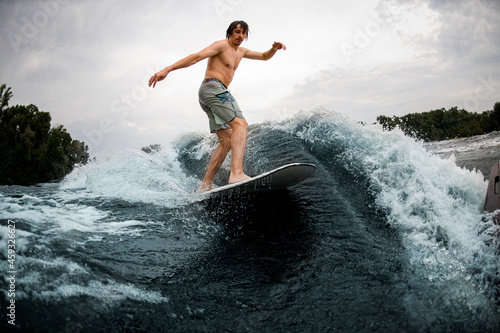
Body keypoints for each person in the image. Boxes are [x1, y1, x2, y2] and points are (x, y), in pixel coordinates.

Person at [148, 20, 286, 192]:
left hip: (209, 93)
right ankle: (236, 173)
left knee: (227, 141)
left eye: (244, 33)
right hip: (213, 88)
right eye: (237, 32)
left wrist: (274, 49)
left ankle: (205, 185)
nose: (240, 36)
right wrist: (167, 69)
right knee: (241, 124)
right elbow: (196, 57)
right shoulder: (221, 45)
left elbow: (264, 56)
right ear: (229, 33)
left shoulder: (241, 52)